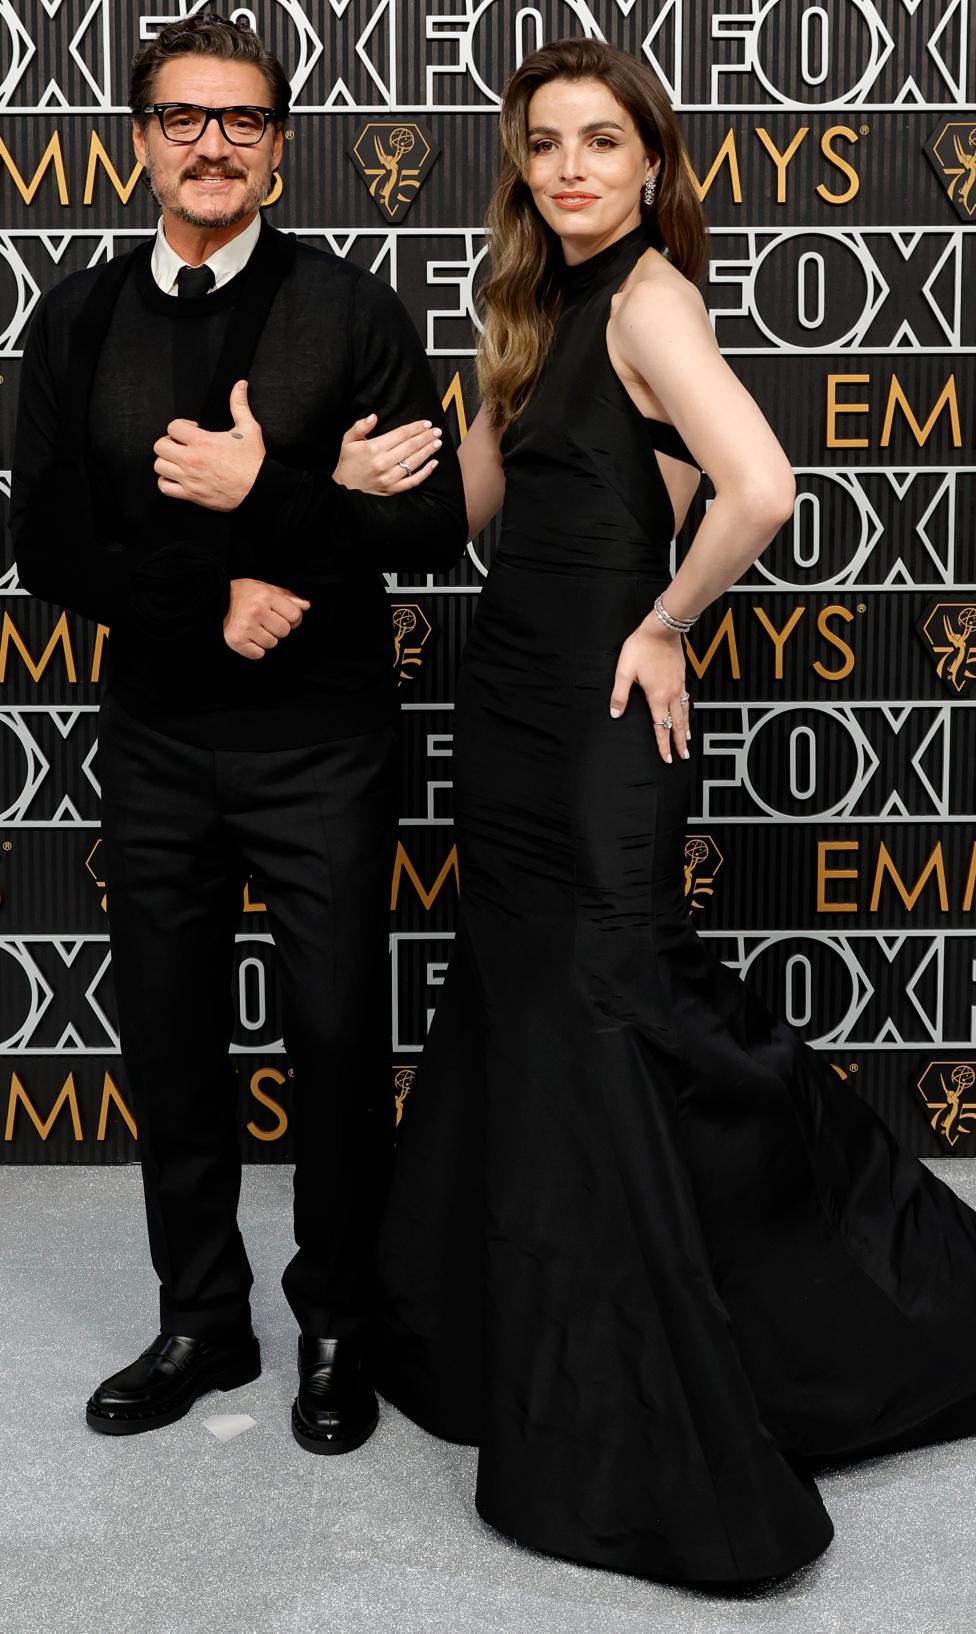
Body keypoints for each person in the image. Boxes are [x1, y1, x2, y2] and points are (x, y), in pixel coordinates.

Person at [334, 38, 976, 1586]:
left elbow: (760, 484)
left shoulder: (649, 299)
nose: (567, 168)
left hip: (601, 728)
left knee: (624, 1013)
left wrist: (665, 619)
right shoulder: (534, 308)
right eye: (544, 143)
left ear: (650, 163)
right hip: (507, 718)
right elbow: (471, 515)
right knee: (534, 1024)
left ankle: (848, 1308)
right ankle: (522, 1344)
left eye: (600, 142)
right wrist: (350, 481)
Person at [9, 13, 465, 1454]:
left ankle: (338, 1317)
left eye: (246, 119)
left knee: (336, 1040)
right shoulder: (72, 319)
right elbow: (50, 548)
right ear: (138, 138)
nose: (215, 142)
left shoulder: (351, 309)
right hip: (153, 741)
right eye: (185, 117)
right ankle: (202, 1317)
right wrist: (227, 592)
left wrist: (271, 493)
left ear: (280, 145)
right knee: (171, 1040)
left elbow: (433, 520)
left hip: (321, 748)